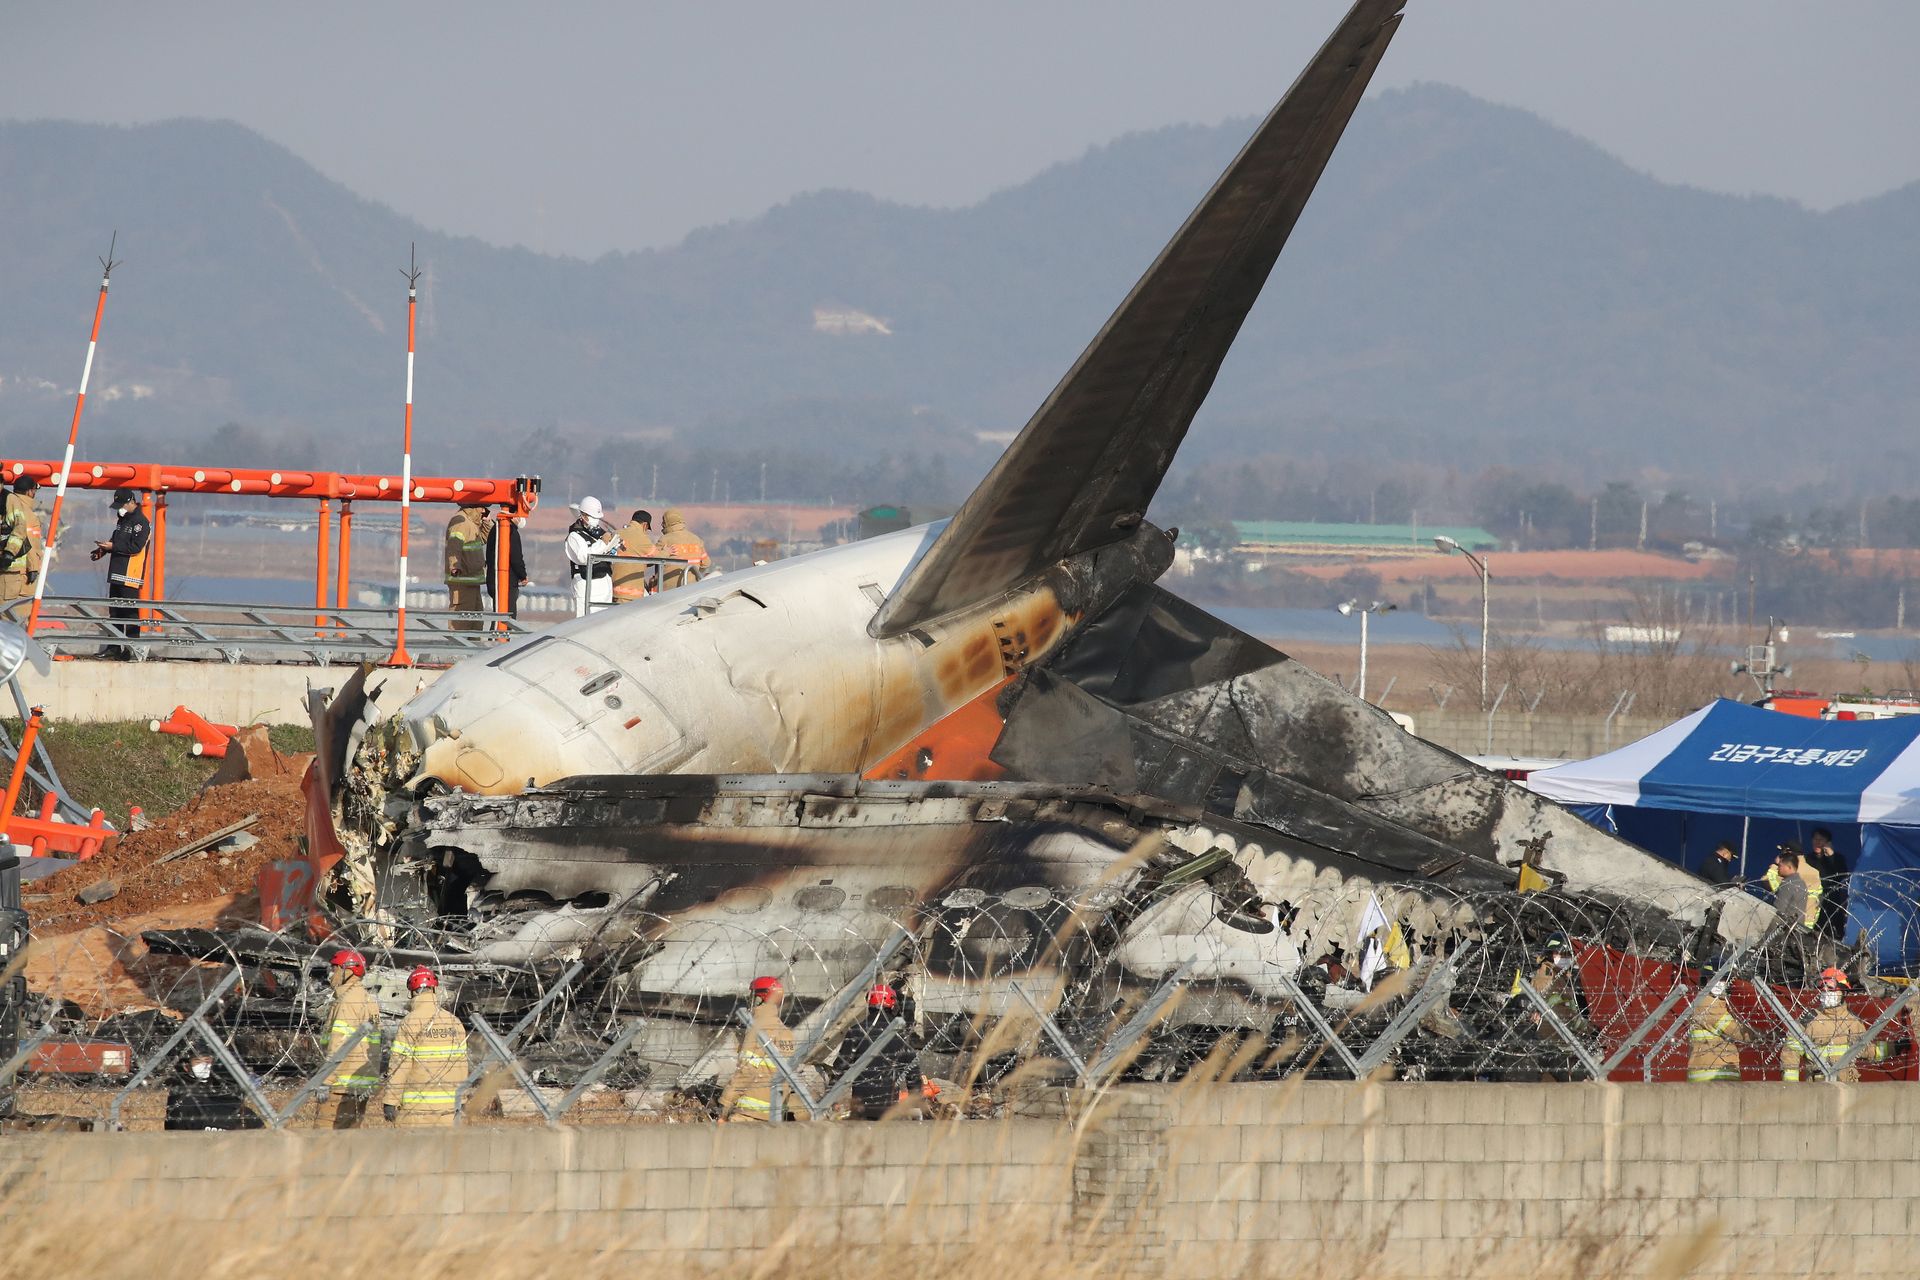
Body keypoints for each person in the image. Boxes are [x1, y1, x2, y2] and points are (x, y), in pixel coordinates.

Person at [378, 966, 468, 1127]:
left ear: (412, 992)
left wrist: (390, 1100)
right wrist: (462, 1098)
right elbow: (461, 1065)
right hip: (449, 1109)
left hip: (418, 1109)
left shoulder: (411, 1022)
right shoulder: (454, 1022)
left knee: (417, 1151)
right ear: (434, 989)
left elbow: (400, 1065)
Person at [831, 983, 927, 1120]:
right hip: (888, 1110)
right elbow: (913, 1076)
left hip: (860, 1108)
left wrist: (830, 1101)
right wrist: (916, 1105)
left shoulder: (856, 1031)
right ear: (892, 1004)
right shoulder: (900, 1035)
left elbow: (839, 1069)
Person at [312, 948, 382, 1129]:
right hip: (361, 1085)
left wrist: (325, 1080)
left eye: (335, 968)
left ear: (348, 971)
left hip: (340, 1086)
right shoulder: (368, 1000)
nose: (330, 974)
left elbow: (339, 1044)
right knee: (348, 1143)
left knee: (322, 1140)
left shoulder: (347, 1002)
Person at [720, 975, 793, 1122]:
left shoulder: (758, 1029)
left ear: (759, 998)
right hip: (775, 1115)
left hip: (749, 1114)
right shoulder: (786, 1033)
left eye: (752, 996)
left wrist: (725, 1106)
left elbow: (746, 1071)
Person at [1781, 968, 1874, 1083]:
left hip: (1848, 1088)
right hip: (1818, 1089)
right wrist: (1791, 1087)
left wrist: (1895, 1047)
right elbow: (1790, 1052)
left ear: (1843, 992)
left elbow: (1866, 1050)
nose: (1825, 992)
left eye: (1830, 988)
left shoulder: (1854, 1021)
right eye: (1822, 988)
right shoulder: (1809, 1020)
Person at [89, 488, 149, 659]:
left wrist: (113, 547)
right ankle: (114, 647)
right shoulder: (123, 520)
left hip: (129, 574)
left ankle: (131, 649)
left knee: (129, 613)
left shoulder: (140, 522)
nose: (119, 509)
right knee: (115, 612)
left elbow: (136, 547)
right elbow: (116, 540)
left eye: (121, 505)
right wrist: (103, 550)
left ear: (131, 502)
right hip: (116, 572)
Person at [1685, 959, 1752, 1082]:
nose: (1719, 983)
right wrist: (1760, 1035)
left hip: (1721, 1078)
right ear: (1706, 980)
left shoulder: (1719, 1003)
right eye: (1714, 979)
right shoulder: (1707, 1004)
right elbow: (1735, 1031)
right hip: (1709, 1079)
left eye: (1723, 979)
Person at [564, 496, 620, 617]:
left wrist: (614, 545)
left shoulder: (598, 534)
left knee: (604, 622)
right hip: (587, 586)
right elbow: (584, 557)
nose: (596, 520)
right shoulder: (574, 536)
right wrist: (603, 543)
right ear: (583, 516)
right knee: (585, 622)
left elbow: (607, 553)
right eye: (593, 517)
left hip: (604, 583)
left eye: (598, 518)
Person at [442, 503, 492, 631]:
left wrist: (487, 523)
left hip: (472, 580)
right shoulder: (460, 521)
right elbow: (454, 545)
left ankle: (474, 649)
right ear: (474, 507)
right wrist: (454, 566)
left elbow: (483, 539)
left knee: (475, 624)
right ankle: (458, 650)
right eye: (483, 507)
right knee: (461, 624)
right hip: (462, 581)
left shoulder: (472, 524)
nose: (484, 511)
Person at [0, 476, 45, 606]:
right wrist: (33, 568)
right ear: (30, 492)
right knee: (19, 620)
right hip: (21, 574)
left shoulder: (8, 505)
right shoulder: (27, 514)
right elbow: (28, 541)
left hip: (9, 572)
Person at [483, 506, 530, 618]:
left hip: (495, 580)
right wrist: (523, 575)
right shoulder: (509, 531)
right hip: (505, 582)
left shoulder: (497, 528)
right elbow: (516, 558)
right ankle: (498, 636)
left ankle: (498, 635)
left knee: (500, 618)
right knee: (505, 619)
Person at [1805, 828, 1849, 942]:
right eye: (1815, 839)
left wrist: (1830, 856)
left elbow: (1841, 875)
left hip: (1831, 902)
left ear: (1828, 842)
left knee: (1832, 935)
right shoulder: (1808, 859)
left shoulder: (1837, 858)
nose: (1817, 842)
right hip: (1814, 902)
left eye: (1821, 840)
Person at [656, 508, 710, 591]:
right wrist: (695, 574)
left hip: (669, 590)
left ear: (666, 523)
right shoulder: (696, 539)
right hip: (692, 588)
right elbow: (706, 563)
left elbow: (652, 559)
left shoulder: (664, 540)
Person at [612, 509, 656, 603]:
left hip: (614, 590)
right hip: (632, 593)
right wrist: (666, 551)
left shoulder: (616, 533)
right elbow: (656, 556)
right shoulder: (642, 538)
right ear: (645, 525)